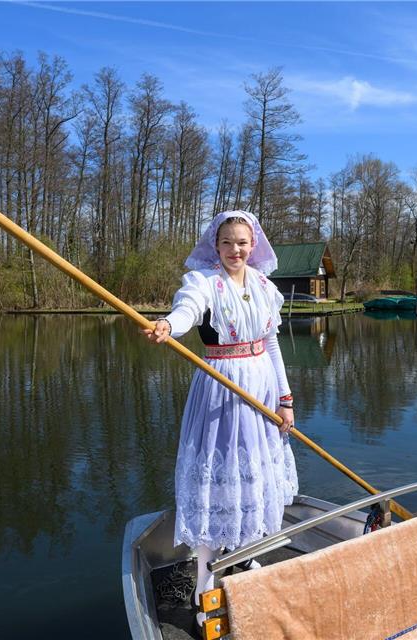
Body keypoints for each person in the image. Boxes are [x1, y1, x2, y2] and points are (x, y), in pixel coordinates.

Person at [141, 210, 298, 626]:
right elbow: (187, 311)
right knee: (220, 476)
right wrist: (167, 326)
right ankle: (204, 586)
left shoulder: (265, 287)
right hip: (221, 388)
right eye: (227, 242)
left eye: (242, 242)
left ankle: (242, 559)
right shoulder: (203, 282)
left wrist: (285, 398)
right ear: (216, 245)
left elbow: (271, 344)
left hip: (261, 388)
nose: (235, 249)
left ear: (254, 245)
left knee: (254, 476)